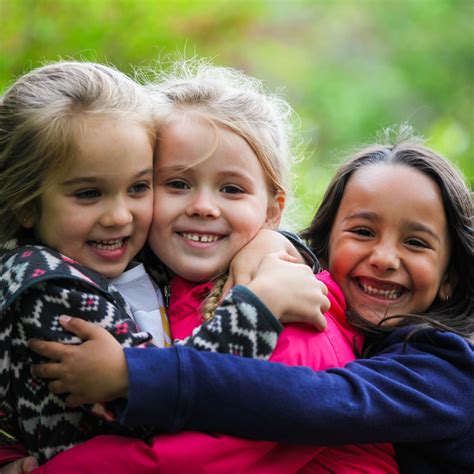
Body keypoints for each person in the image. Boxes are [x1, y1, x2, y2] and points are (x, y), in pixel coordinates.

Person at [30, 131, 473, 473]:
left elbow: (319, 402)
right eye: (362, 232)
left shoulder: (446, 370)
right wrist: (270, 243)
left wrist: (136, 374)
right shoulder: (346, 321)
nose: (383, 258)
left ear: (450, 279)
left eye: (416, 242)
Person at [0, 60, 327, 467]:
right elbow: (162, 412)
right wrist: (259, 305)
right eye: (87, 193)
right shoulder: (47, 289)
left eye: (138, 187)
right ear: (27, 205)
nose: (120, 216)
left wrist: (267, 242)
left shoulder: (121, 255)